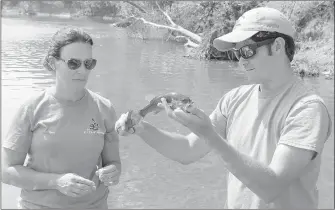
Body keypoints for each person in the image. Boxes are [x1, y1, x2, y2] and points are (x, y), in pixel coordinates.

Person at [115, 7, 332, 209]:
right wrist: (142, 128)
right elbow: (188, 150)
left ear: (277, 46)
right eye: (236, 53)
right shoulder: (235, 99)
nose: (241, 61)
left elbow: (271, 186)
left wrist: (211, 136)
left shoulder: (307, 109)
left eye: (247, 51)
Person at [2, 27, 121, 209]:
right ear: (53, 62)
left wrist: (113, 172)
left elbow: (114, 163)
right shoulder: (31, 108)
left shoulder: (104, 108)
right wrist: (56, 182)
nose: (82, 70)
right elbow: (6, 172)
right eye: (73, 63)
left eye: (88, 63)